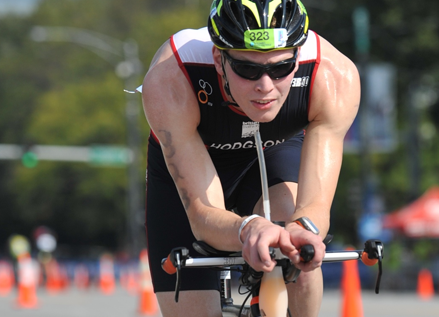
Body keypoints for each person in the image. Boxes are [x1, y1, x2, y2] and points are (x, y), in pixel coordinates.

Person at [141, 0, 360, 316]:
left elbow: (314, 207)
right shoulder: (171, 77)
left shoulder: (333, 76)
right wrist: (248, 228)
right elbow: (204, 216)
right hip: (190, 175)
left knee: (295, 242)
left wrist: (302, 228)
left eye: (281, 67)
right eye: (247, 68)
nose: (265, 87)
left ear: (297, 56)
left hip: (273, 154)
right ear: (218, 58)